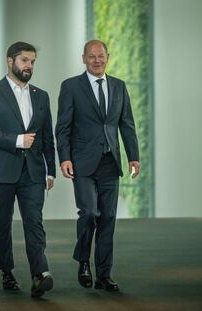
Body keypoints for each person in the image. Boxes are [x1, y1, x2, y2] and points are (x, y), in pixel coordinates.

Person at [55, 39, 140, 292]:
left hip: (110, 163)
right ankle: (83, 261)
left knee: (109, 219)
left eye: (101, 56)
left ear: (108, 57)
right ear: (83, 58)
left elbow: (127, 124)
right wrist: (65, 158)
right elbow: (63, 128)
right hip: (82, 163)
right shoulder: (71, 86)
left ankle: (104, 274)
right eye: (91, 56)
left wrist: (133, 156)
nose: (96, 60)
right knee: (90, 213)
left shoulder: (119, 86)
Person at [0, 41, 55, 298]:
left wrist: (50, 170)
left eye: (32, 61)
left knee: (35, 222)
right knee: (2, 224)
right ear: (10, 61)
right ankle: (6, 271)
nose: (29, 66)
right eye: (24, 60)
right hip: (0, 170)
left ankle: (39, 274)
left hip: (33, 171)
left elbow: (47, 138)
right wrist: (17, 140)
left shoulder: (41, 96)